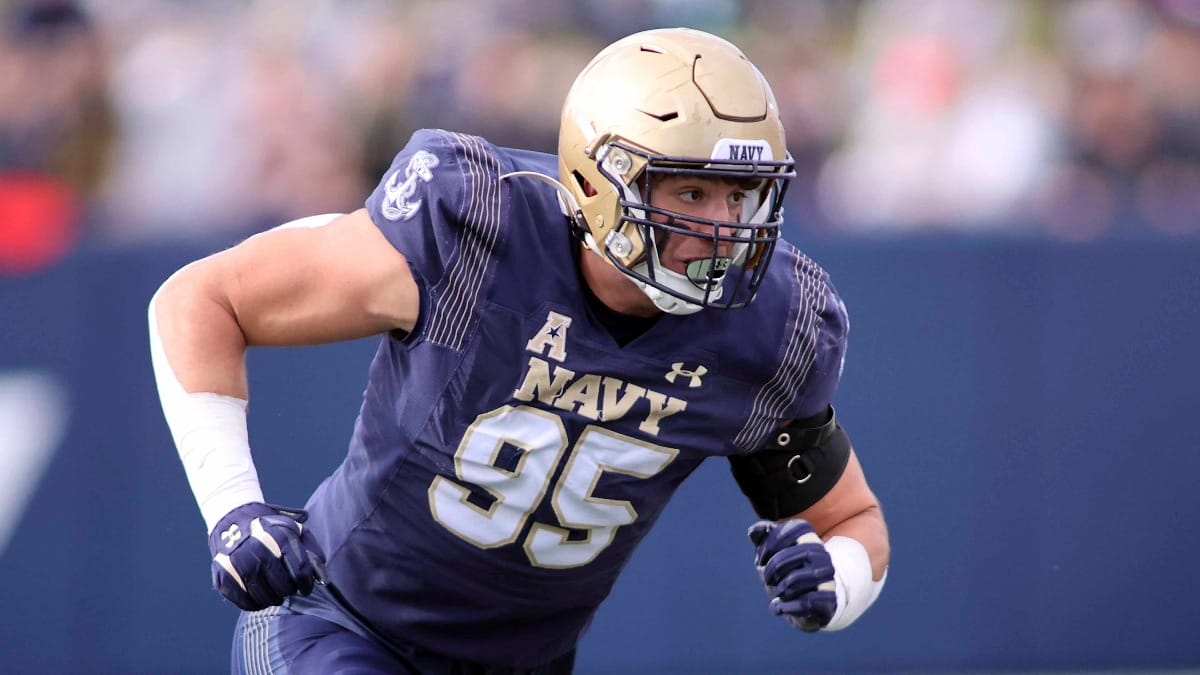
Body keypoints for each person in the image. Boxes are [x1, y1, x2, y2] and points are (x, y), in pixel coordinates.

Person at [149, 27, 890, 674]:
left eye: (740, 195)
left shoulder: (773, 325)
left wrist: (837, 582)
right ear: (601, 182)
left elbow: (853, 519)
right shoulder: (480, 223)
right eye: (692, 194)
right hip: (347, 622)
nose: (724, 227)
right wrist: (232, 507)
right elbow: (201, 300)